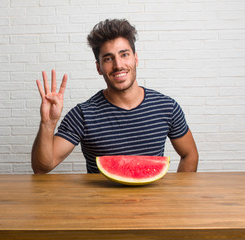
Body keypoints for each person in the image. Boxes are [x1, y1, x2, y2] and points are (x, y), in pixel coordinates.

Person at [31, 19, 198, 174]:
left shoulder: (167, 107)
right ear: (99, 67)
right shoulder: (83, 115)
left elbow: (189, 154)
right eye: (108, 58)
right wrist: (48, 124)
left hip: (153, 205)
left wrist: (177, 196)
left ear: (136, 59)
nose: (118, 65)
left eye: (124, 54)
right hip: (101, 205)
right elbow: (42, 167)